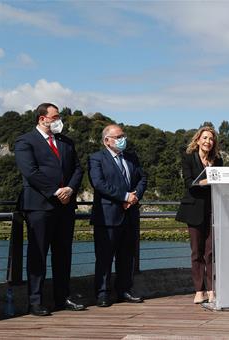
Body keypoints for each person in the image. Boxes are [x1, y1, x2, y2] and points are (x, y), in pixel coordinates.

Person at [15, 103, 84, 316]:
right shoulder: (25, 141)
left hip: (65, 207)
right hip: (39, 206)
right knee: (38, 254)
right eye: (55, 117)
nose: (58, 120)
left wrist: (70, 189)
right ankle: (35, 302)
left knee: (63, 253)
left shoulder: (66, 142)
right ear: (42, 119)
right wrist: (56, 191)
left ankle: (62, 297)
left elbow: (78, 168)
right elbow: (31, 172)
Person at [88, 124, 147, 307]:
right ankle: (103, 293)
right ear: (107, 140)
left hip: (130, 214)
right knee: (104, 257)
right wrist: (123, 196)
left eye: (123, 135)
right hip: (107, 216)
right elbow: (99, 183)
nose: (123, 139)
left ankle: (124, 290)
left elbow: (143, 178)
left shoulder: (131, 157)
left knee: (127, 256)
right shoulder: (96, 158)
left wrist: (135, 195)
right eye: (118, 136)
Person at [176, 126, 223, 304]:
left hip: (213, 210)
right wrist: (207, 180)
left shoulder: (218, 160)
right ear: (197, 140)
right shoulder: (188, 158)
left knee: (210, 253)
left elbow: (221, 182)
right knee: (196, 252)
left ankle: (211, 290)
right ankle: (199, 290)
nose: (207, 142)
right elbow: (189, 183)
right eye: (204, 138)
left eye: (211, 139)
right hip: (193, 210)